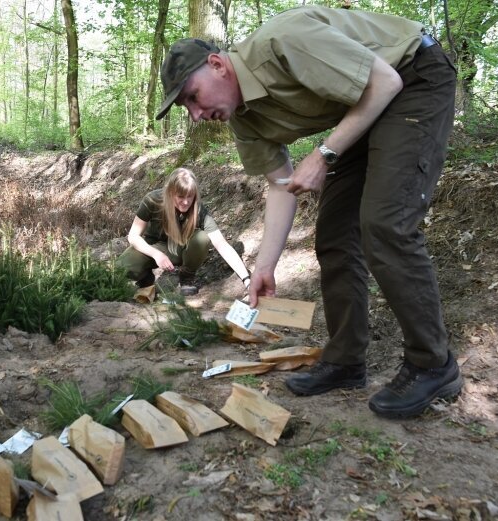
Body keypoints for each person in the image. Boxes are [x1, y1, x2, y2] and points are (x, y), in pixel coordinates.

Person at [155, 5, 463, 418]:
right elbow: (282, 187)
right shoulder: (243, 122)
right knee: (335, 235)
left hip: (412, 77)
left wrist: (323, 153)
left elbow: (384, 80)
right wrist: (264, 265)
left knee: (385, 222)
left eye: (193, 97)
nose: (195, 114)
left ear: (217, 65)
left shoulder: (282, 42)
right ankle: (346, 360)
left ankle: (433, 364)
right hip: (366, 106)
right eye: (185, 109)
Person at [117, 168, 251, 296]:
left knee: (202, 238)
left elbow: (221, 244)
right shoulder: (153, 200)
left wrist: (247, 280)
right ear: (170, 192)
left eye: (190, 197)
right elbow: (133, 236)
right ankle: (145, 278)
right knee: (122, 268)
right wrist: (156, 254)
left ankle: (187, 276)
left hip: (181, 249)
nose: (186, 202)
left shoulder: (198, 210)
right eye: (180, 196)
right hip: (153, 247)